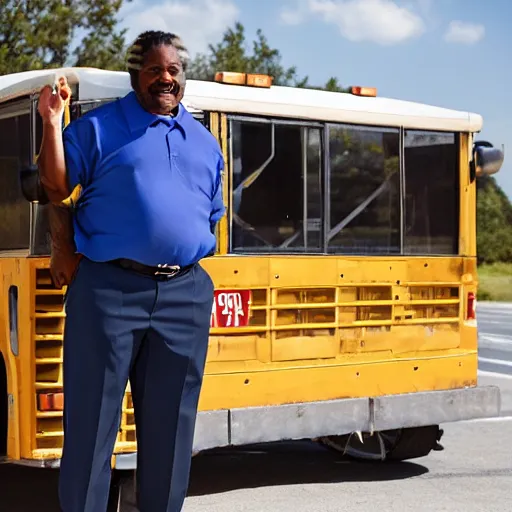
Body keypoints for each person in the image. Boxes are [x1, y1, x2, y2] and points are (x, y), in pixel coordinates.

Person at [37, 30, 225, 512]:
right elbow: (55, 186)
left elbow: (209, 218)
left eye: (174, 71)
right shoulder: (99, 128)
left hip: (184, 294)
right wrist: (52, 123)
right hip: (109, 290)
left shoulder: (206, 144)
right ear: (135, 77)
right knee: (92, 430)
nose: (166, 78)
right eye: (154, 70)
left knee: (170, 432)